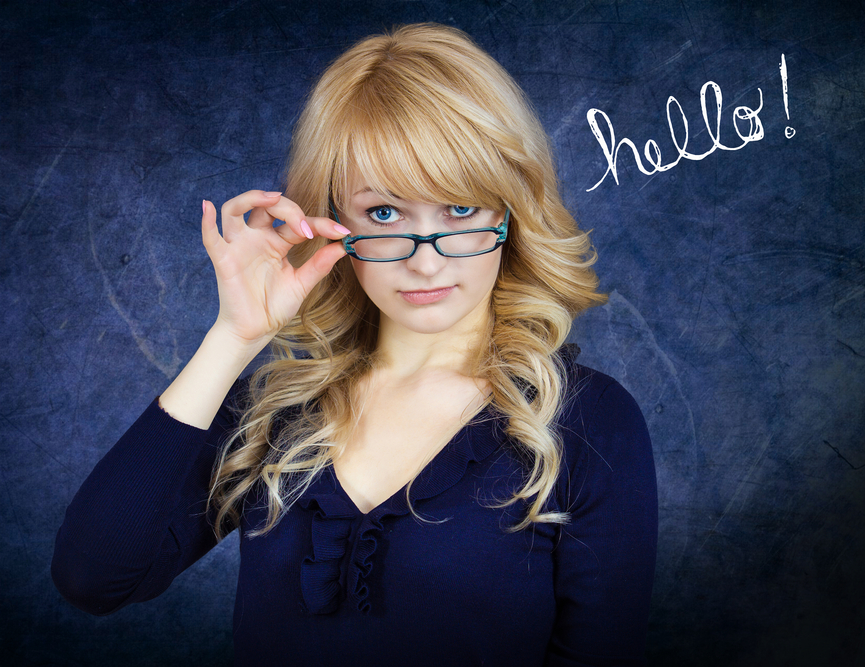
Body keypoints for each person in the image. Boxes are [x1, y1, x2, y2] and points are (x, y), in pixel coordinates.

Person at [51, 23, 657, 666]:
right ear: (333, 220)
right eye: (385, 214)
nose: (426, 264)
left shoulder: (589, 422)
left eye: (460, 210)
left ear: (509, 213)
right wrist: (233, 337)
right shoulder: (278, 409)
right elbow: (94, 578)